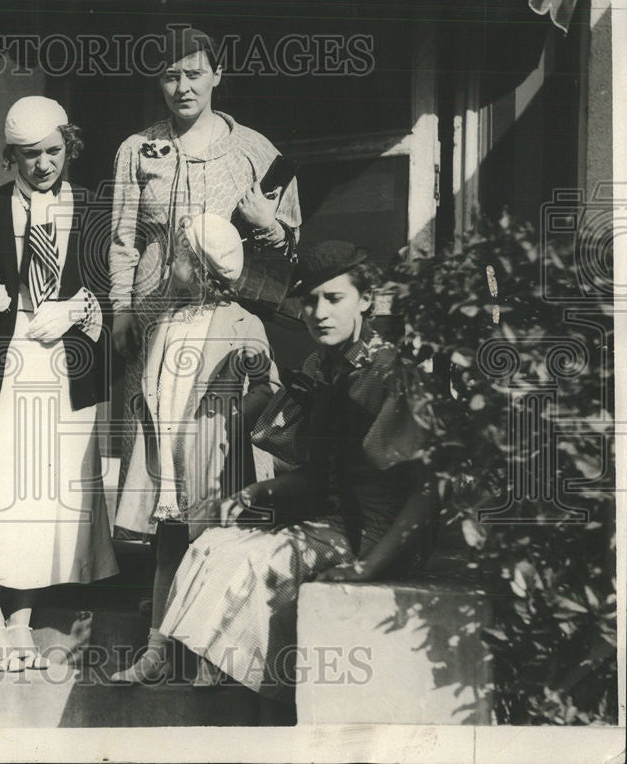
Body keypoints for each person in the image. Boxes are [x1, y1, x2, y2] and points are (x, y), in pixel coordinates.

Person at [157, 241, 438, 718]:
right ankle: (257, 712)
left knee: (258, 567)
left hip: (379, 534)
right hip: (331, 521)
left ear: (365, 300)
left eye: (334, 299)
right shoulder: (316, 369)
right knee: (213, 548)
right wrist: (252, 494)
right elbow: (318, 474)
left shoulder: (391, 371)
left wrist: (371, 567)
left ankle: (268, 715)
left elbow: (428, 491)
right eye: (309, 301)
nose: (319, 313)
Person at [0, 96, 118, 673]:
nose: (43, 165)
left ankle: (22, 620)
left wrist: (79, 307)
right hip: (4, 364)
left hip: (64, 369)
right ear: (9, 156)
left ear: (70, 145)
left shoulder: (91, 208)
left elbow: (111, 292)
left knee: (42, 498)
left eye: (53, 152)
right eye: (28, 155)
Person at [109, 25, 302, 535]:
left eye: (194, 74)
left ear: (218, 74)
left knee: (216, 449)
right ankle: (160, 580)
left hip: (224, 330)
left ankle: (214, 562)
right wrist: (121, 308)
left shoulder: (255, 152)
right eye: (170, 77)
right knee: (157, 455)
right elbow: (123, 239)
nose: (182, 87)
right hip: (153, 326)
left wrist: (269, 225)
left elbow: (288, 253)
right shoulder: (138, 149)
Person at [111, 213, 279, 683]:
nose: (173, 260)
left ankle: (209, 657)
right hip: (166, 458)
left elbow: (268, 387)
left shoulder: (243, 322)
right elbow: (155, 384)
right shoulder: (165, 320)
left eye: (182, 254)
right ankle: (155, 652)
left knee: (209, 552)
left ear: (203, 268)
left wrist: (233, 416)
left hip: (212, 458)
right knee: (167, 553)